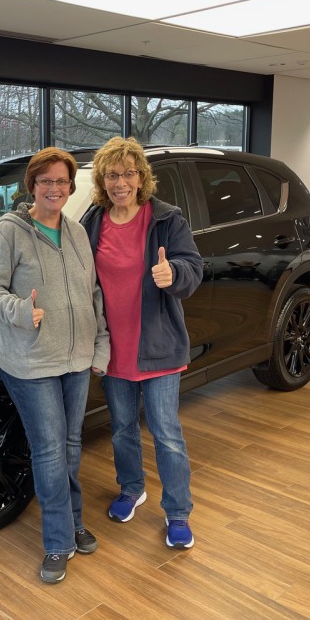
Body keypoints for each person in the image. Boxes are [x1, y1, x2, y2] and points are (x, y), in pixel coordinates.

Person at [0, 147, 110, 584]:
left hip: (76, 359)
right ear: (31, 186)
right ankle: (58, 540)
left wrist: (100, 347)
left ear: (71, 187)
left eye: (62, 181)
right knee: (50, 450)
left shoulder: (77, 232)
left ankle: (73, 521)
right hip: (30, 361)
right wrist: (19, 311)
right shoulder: (8, 233)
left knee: (70, 445)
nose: (55, 188)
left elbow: (93, 294)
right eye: (46, 181)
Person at [80, 136, 204, 549]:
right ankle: (132, 488)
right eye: (112, 175)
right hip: (113, 348)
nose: (120, 182)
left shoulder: (166, 219)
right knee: (122, 429)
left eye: (128, 173)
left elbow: (193, 267)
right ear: (102, 180)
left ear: (141, 177)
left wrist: (175, 275)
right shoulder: (93, 221)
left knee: (166, 433)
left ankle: (178, 511)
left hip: (158, 346)